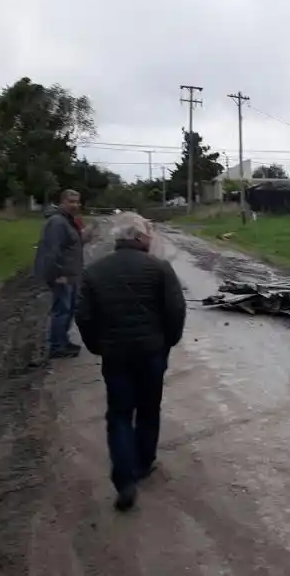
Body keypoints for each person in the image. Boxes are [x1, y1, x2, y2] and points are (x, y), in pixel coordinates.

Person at [75, 213, 186, 511]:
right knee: (149, 409)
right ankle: (143, 462)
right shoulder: (159, 269)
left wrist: (97, 346)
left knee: (120, 414)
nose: (150, 239)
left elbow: (83, 315)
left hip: (116, 356)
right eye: (148, 233)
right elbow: (176, 311)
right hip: (152, 353)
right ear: (137, 237)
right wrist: (167, 343)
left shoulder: (95, 272)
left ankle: (125, 480)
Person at [33, 189, 84, 359]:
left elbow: (71, 244)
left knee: (68, 310)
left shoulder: (68, 221)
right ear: (62, 202)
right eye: (71, 201)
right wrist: (57, 274)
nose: (75, 205)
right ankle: (57, 346)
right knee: (62, 310)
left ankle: (63, 341)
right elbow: (51, 251)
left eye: (77, 202)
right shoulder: (57, 222)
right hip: (62, 275)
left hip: (72, 274)